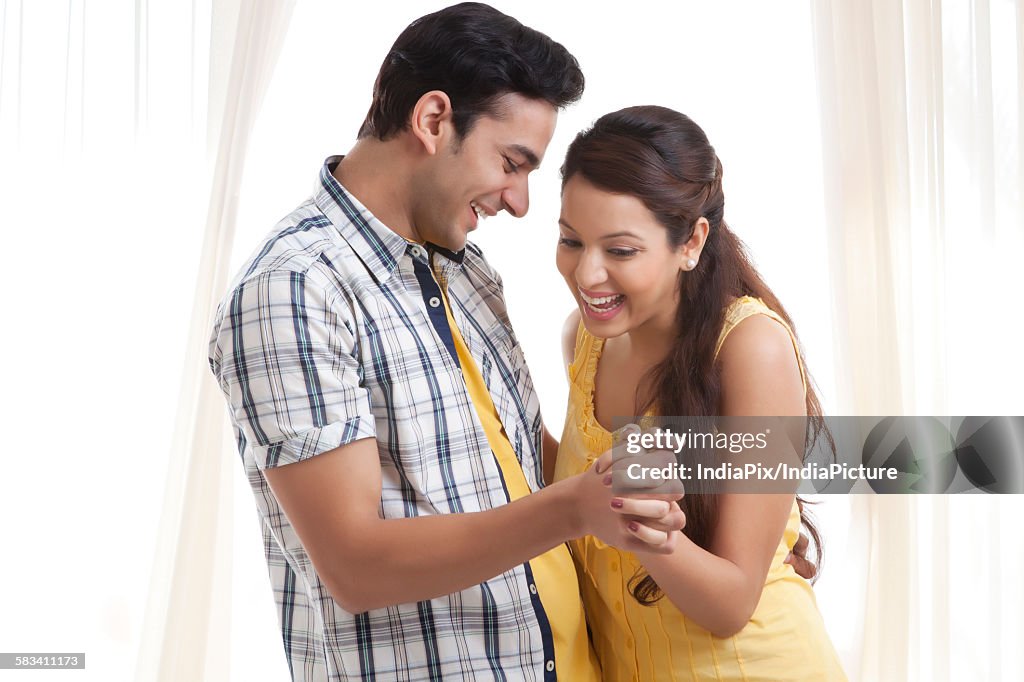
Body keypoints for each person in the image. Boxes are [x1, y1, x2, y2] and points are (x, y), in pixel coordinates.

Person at [207, 5, 685, 681]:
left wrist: (749, 516)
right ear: (434, 120)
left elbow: (528, 461)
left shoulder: (464, 270)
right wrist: (574, 510)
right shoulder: (294, 288)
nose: (520, 202)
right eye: (512, 163)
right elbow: (356, 565)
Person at [552, 105, 847, 680]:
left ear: (691, 242)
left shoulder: (749, 346)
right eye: (570, 240)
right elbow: (578, 475)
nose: (587, 275)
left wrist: (629, 517)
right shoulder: (585, 340)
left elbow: (731, 603)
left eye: (620, 250)